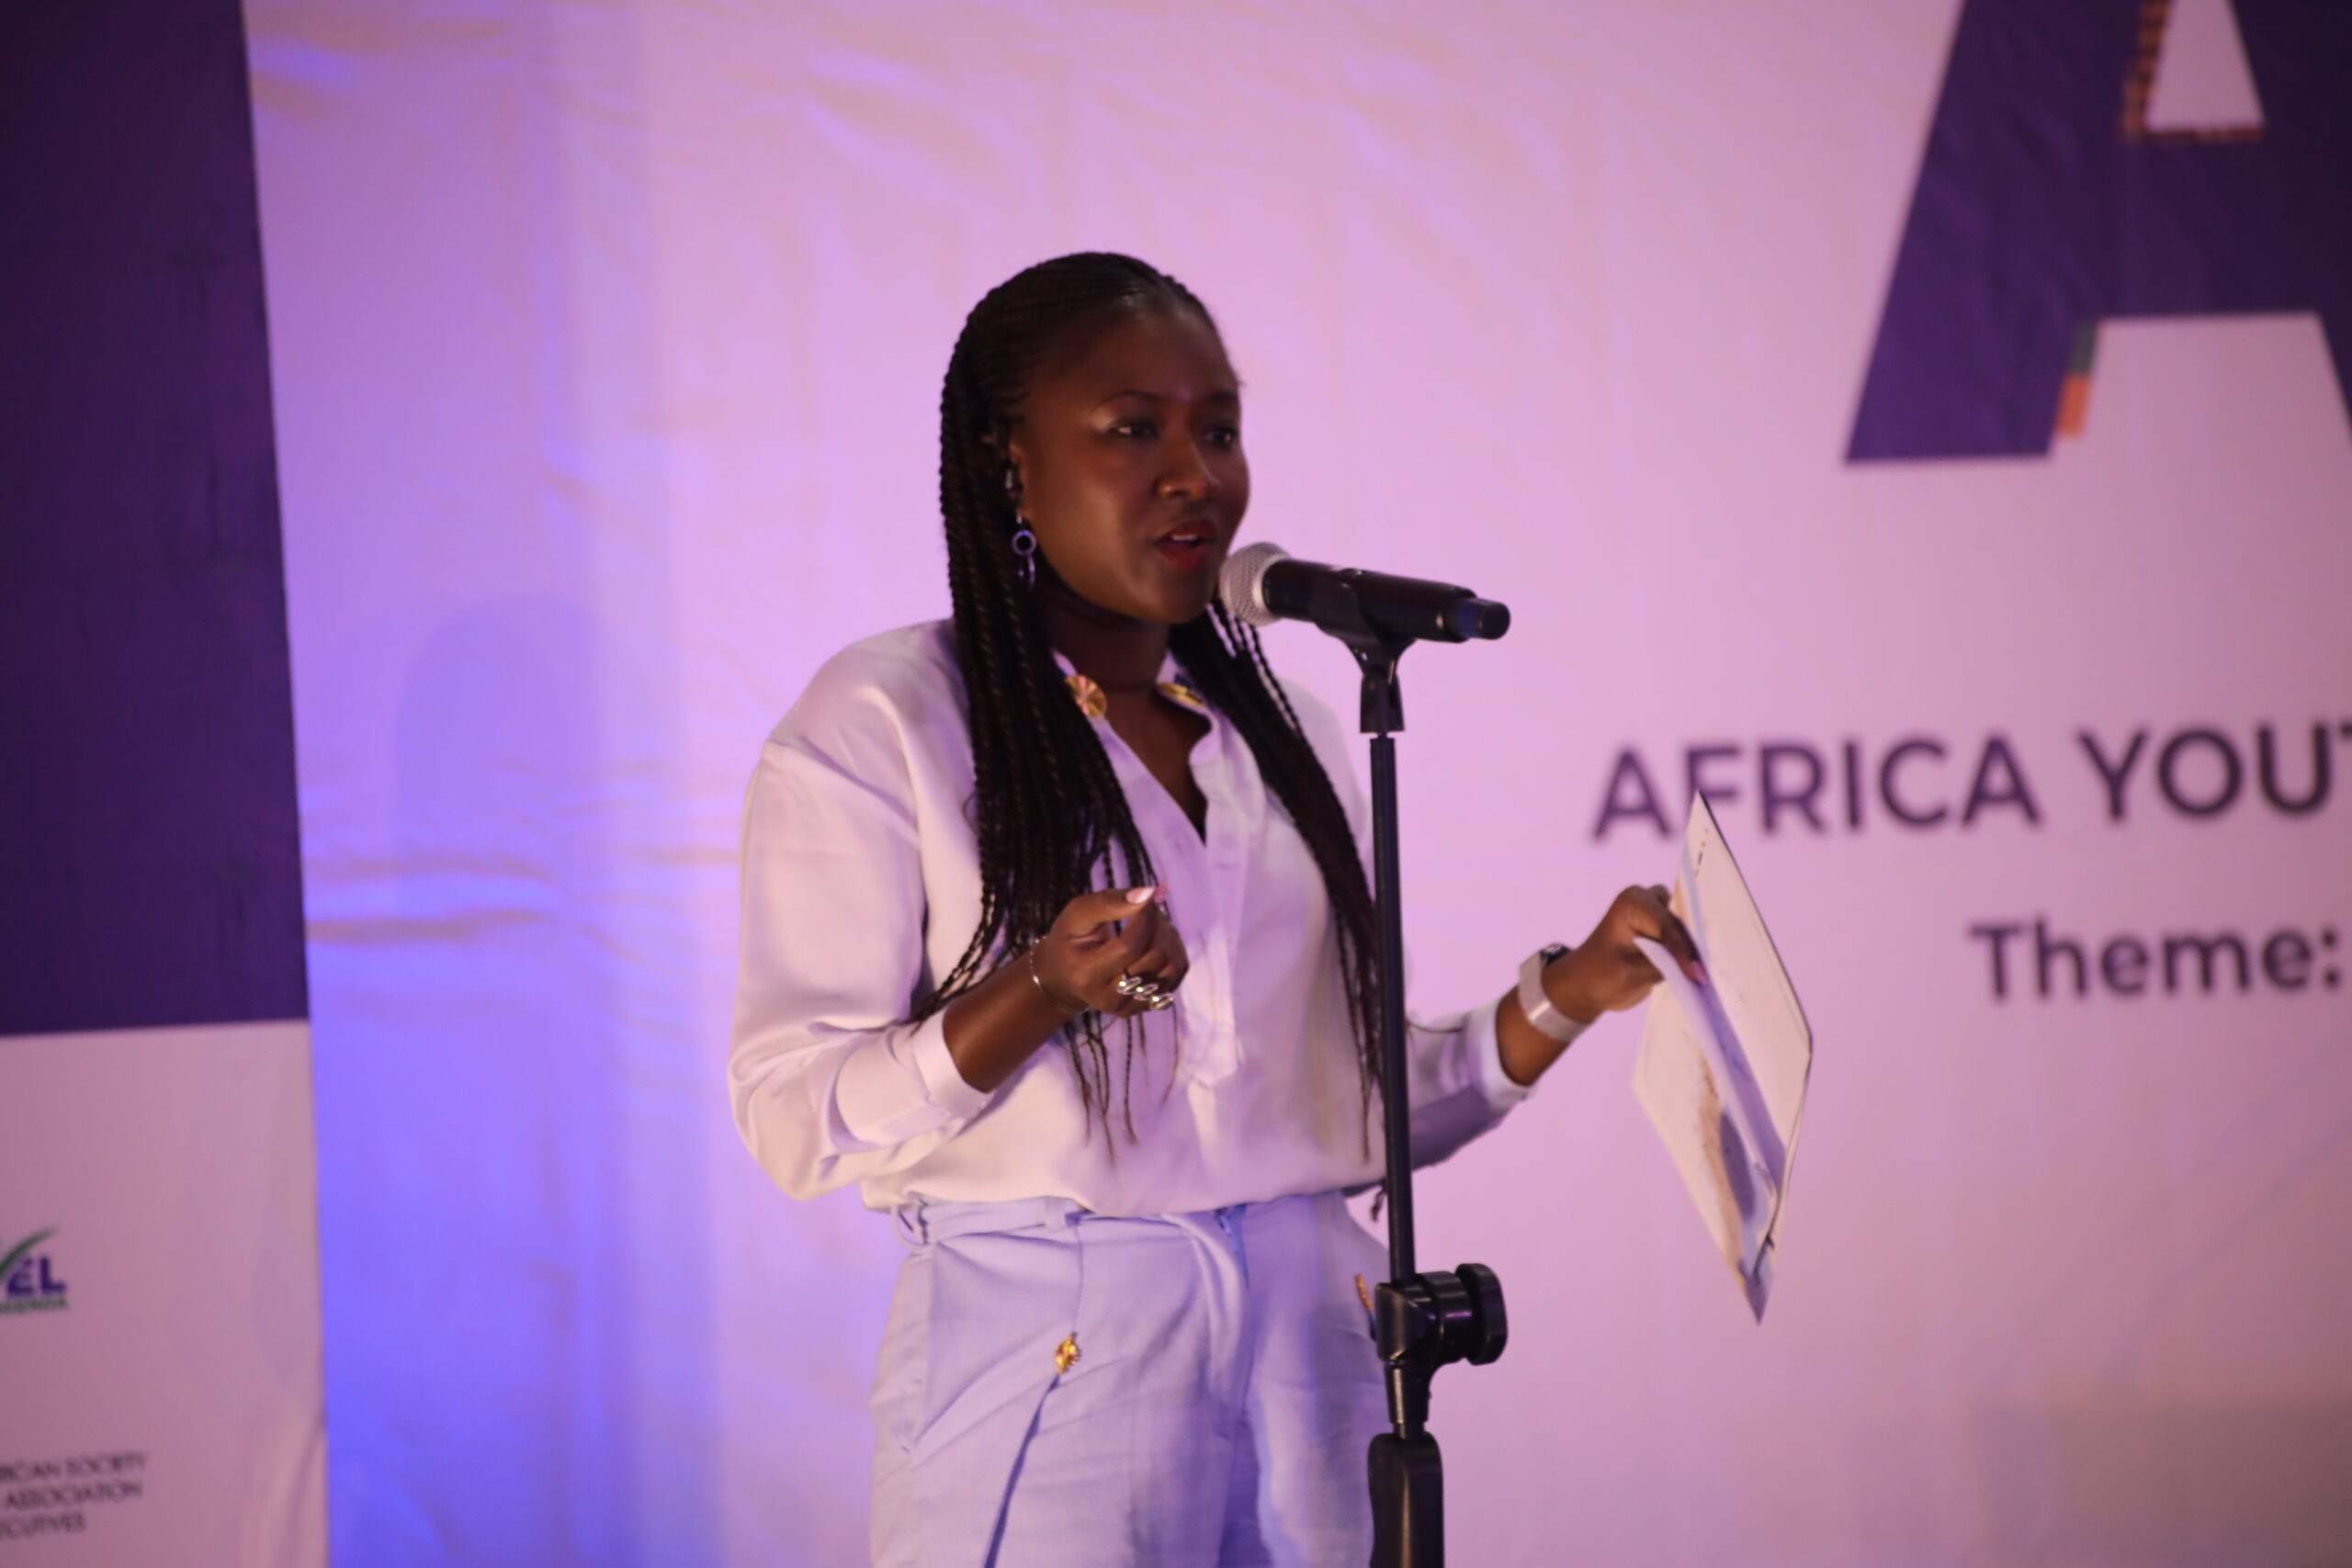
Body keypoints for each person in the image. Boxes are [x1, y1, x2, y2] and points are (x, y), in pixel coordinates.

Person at [729, 252, 1699, 1567]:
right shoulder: (889, 718)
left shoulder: (1281, 732)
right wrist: (1039, 992)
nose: (1197, 474)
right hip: (1057, 1347)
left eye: (1220, 430)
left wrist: (1570, 993)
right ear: (1009, 466)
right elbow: (796, 1116)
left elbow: (1348, 1117)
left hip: (1314, 1346)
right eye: (1135, 430)